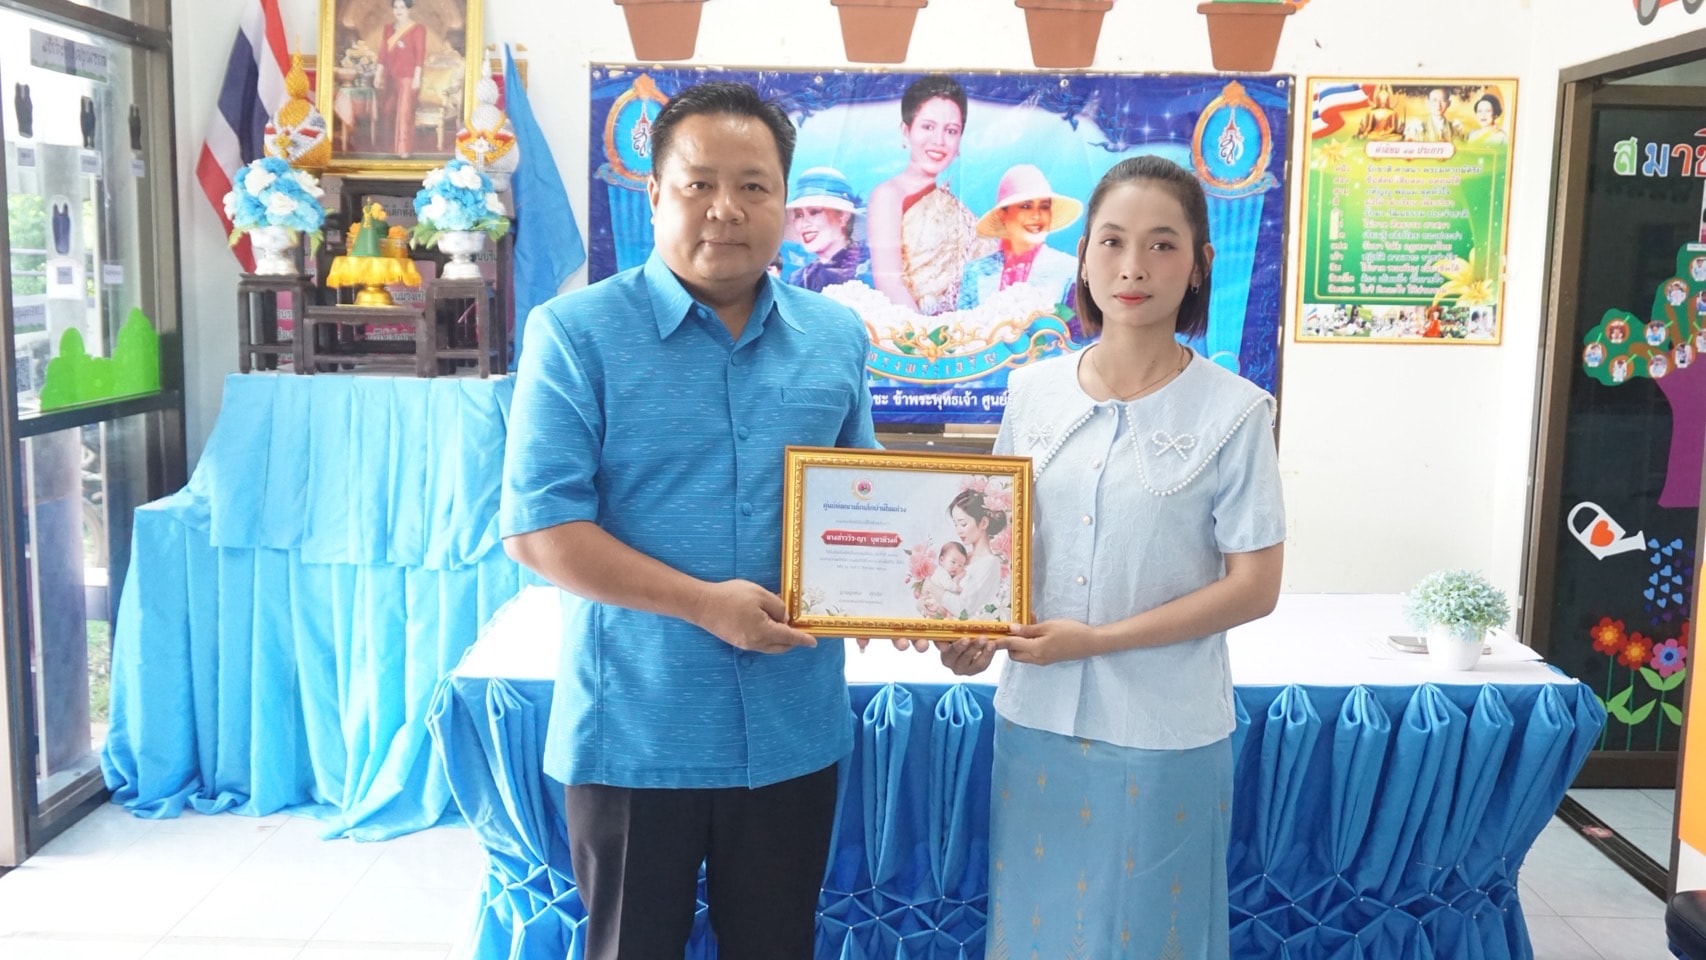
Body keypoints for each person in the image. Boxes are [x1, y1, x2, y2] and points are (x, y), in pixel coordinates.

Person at [501, 81, 878, 960]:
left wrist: (923, 606)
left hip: (790, 726)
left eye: (753, 186)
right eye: (699, 183)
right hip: (638, 729)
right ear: (654, 193)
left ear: (785, 200)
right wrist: (705, 604)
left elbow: (866, 505)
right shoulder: (576, 333)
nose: (726, 209)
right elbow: (539, 529)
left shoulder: (837, 337)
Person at [937, 155, 1285, 958]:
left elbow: (1254, 587)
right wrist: (969, 631)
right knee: (1038, 931)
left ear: (1199, 264)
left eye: (1162, 245)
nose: (1133, 267)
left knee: (1150, 936)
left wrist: (1096, 641)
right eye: (1113, 241)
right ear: (1085, 256)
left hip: (1165, 729)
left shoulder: (1236, 412)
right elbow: (997, 547)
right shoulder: (1031, 393)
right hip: (1036, 720)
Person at [867, 74, 993, 315]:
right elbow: (889, 284)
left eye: (951, 131)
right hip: (913, 330)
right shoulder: (889, 195)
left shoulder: (954, 206)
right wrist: (926, 334)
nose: (939, 141)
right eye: (928, 127)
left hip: (966, 329)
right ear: (906, 130)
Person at [957, 163, 1082, 310]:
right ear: (1003, 215)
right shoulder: (975, 271)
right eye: (1026, 206)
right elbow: (962, 323)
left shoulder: (1069, 269)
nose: (1036, 215)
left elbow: (1078, 323)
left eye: (1044, 207)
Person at [784, 166, 870, 292]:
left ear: (843, 216)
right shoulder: (798, 279)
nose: (804, 224)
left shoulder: (871, 269)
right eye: (799, 215)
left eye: (814, 211)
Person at [374, 0, 425, 157]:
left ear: (409, 9)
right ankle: (389, 147)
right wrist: (378, 73)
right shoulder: (388, 28)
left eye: (402, 7)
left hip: (408, 77)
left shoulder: (417, 29)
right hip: (390, 76)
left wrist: (417, 77)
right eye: (395, 7)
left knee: (404, 114)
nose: (398, 10)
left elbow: (420, 54)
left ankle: (403, 150)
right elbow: (383, 52)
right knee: (387, 110)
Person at [924, 541, 969, 612]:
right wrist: (961, 589)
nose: (956, 567)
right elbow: (950, 586)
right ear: (942, 560)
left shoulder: (942, 571)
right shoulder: (942, 573)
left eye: (960, 565)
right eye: (953, 562)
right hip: (932, 601)